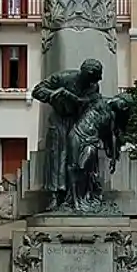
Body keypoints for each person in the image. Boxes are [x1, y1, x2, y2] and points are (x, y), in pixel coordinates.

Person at [31, 59, 103, 209]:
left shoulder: (93, 86)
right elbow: (37, 91)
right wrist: (53, 95)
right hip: (59, 120)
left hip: (78, 121)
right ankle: (55, 196)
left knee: (78, 157)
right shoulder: (63, 78)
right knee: (57, 156)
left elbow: (90, 102)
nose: (98, 80)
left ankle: (79, 195)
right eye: (95, 77)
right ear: (87, 74)